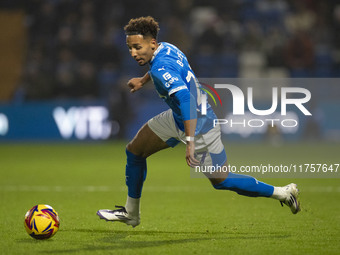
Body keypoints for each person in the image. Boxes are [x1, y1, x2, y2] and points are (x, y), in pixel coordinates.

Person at [97, 16, 300, 227]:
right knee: (135, 151)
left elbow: (186, 99)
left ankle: (284, 193)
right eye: (130, 48)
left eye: (137, 47)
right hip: (178, 118)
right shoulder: (167, 48)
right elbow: (164, 71)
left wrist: (190, 141)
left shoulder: (160, 67)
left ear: (152, 44)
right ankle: (131, 213)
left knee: (222, 181)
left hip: (199, 124)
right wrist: (143, 80)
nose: (133, 53)